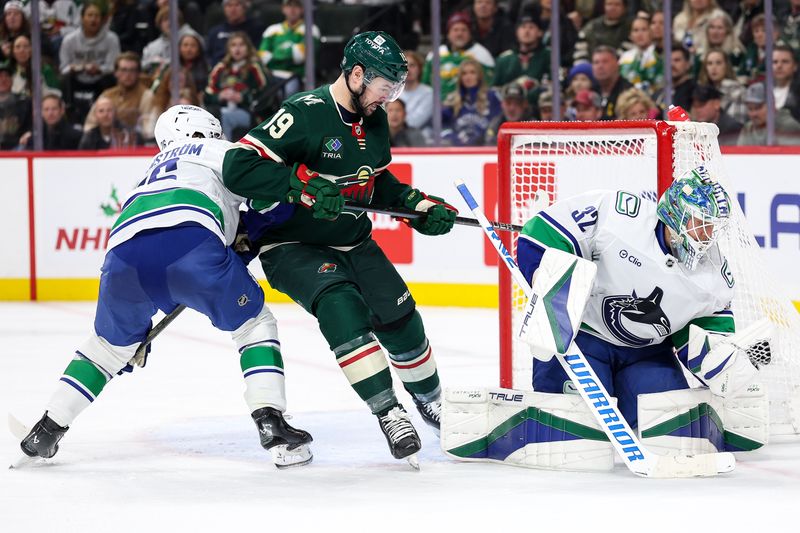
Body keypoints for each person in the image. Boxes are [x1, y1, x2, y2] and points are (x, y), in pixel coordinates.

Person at [19, 105, 313, 469]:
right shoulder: (218, 151)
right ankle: (271, 422)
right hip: (191, 241)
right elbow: (269, 201)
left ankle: (46, 429)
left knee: (107, 350)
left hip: (122, 256)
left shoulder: (150, 169)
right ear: (204, 129)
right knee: (254, 324)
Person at [223, 31, 457, 465]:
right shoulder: (305, 113)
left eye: (396, 88)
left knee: (400, 316)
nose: (389, 98)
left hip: (354, 239)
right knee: (342, 306)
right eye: (386, 87)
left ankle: (431, 399)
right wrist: (301, 185)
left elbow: (376, 180)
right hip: (292, 245)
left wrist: (417, 204)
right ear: (356, 74)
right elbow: (238, 166)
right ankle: (389, 413)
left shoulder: (375, 116)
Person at [516, 166, 743, 431]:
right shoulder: (617, 215)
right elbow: (540, 235)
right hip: (584, 338)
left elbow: (703, 334)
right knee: (573, 427)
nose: (708, 234)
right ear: (677, 213)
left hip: (647, 354)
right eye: (701, 222)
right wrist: (552, 286)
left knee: (675, 429)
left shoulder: (714, 274)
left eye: (713, 225)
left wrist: (724, 365)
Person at [204, 31, 268, 141]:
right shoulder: (220, 68)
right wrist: (220, 96)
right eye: (233, 45)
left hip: (249, 112)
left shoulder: (255, 68)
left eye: (241, 45)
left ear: (248, 47)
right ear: (228, 49)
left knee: (224, 117)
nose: (237, 49)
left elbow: (265, 95)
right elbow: (207, 95)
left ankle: (225, 151)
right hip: (222, 108)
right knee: (212, 115)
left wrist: (243, 97)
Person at [422, 11, 495, 101]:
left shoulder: (481, 55)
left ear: (470, 34)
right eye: (455, 30)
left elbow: (487, 85)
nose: (459, 34)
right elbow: (424, 84)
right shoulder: (435, 54)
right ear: (448, 34)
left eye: (463, 30)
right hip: (436, 106)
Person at [257, 0, 320, 99]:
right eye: (289, 6)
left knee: (289, 93)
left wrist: (275, 55)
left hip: (295, 76)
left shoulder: (311, 29)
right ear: (283, 9)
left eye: (296, 6)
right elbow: (262, 56)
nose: (292, 9)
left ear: (302, 9)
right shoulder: (272, 30)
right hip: (270, 75)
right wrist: (291, 51)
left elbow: (300, 56)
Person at [83, 52, 151, 137]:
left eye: (132, 70)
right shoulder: (107, 95)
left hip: (133, 143)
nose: (128, 74)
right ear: (116, 73)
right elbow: (89, 125)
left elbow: (148, 130)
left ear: (138, 73)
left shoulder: (146, 95)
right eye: (124, 70)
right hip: (105, 143)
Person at [442, 58, 502, 146]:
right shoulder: (452, 100)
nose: (468, 76)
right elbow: (442, 125)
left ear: (479, 75)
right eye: (464, 73)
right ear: (460, 77)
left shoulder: (492, 96)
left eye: (472, 72)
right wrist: (453, 138)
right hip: (458, 150)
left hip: (485, 148)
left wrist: (485, 138)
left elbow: (498, 121)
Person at [492, 10, 550, 91]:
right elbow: (494, 90)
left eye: (531, 27)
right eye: (523, 27)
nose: (526, 31)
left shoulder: (549, 56)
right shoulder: (503, 60)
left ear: (540, 33)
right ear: (517, 32)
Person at [18, 93, 83, 150]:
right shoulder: (35, 136)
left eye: (54, 109)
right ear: (41, 112)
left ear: (62, 111)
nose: (50, 113)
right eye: (46, 109)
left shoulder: (74, 136)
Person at [78, 95, 143, 149]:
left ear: (115, 113)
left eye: (109, 110)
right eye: (101, 111)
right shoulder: (89, 137)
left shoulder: (128, 134)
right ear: (95, 115)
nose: (105, 115)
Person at [592, 45, 633, 119]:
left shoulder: (628, 92)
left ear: (617, 64)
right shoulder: (591, 92)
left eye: (605, 62)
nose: (600, 66)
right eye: (596, 62)